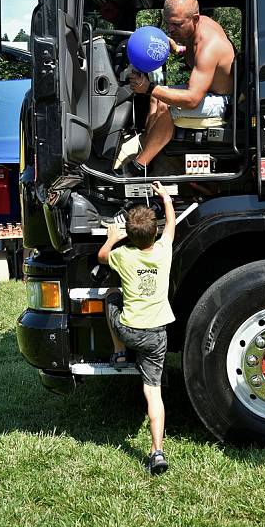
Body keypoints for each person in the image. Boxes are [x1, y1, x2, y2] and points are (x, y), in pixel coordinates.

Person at [98, 182, 175, 474]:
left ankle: (119, 353)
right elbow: (171, 227)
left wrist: (111, 238)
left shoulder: (123, 255)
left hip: (130, 331)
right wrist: (166, 198)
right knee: (153, 391)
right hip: (157, 335)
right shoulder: (164, 250)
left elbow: (102, 257)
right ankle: (157, 451)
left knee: (111, 297)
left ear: (128, 234)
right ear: (154, 233)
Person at [122, 0, 234, 176]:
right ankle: (151, 147)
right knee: (155, 98)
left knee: (165, 103)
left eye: (176, 24)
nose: (170, 30)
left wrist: (149, 87)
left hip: (221, 101)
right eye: (167, 23)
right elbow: (196, 57)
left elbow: (191, 100)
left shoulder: (209, 45)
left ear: (195, 19)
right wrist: (179, 50)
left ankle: (138, 167)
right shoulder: (194, 29)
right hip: (205, 92)